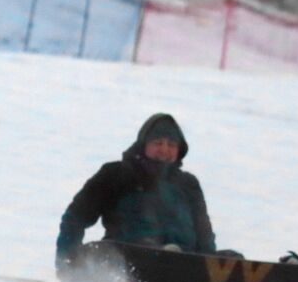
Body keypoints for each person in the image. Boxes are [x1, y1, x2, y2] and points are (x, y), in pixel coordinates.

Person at [55, 113, 216, 268]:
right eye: (158, 143)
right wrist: (67, 261)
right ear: (144, 144)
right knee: (120, 252)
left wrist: (213, 266)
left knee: (233, 259)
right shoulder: (116, 174)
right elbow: (75, 218)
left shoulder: (188, 184)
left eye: (171, 145)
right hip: (128, 259)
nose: (164, 149)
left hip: (185, 264)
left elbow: (204, 235)